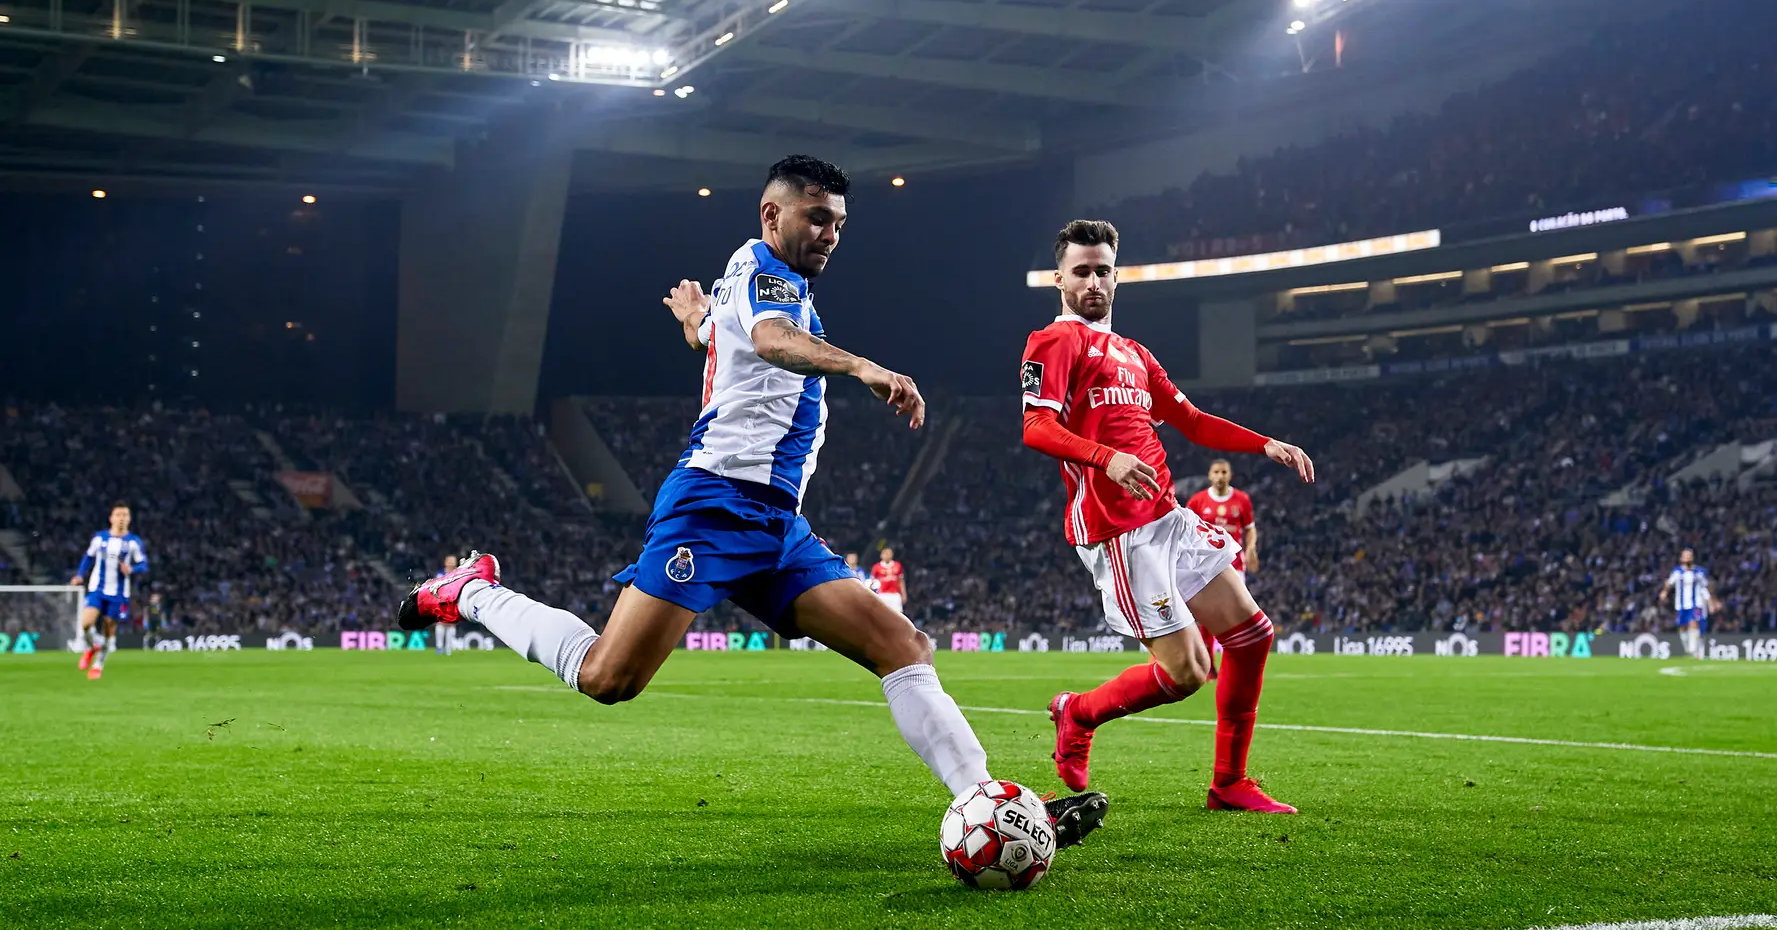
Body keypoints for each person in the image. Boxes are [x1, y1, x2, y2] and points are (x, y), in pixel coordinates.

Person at [399, 156, 1107, 845]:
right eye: (817, 217)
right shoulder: (769, 277)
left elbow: (723, 337)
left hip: (775, 523)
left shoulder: (760, 278)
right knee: (608, 678)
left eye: (839, 224)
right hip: (712, 507)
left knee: (903, 644)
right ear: (772, 214)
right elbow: (768, 340)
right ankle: (471, 592)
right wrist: (863, 365)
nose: (831, 233)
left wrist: (697, 322)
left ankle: (986, 801)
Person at [1021, 219, 1314, 814]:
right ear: (1060, 278)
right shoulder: (1053, 343)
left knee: (1253, 636)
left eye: (1103, 270)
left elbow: (1194, 421)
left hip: (1167, 518)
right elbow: (1036, 428)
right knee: (1187, 673)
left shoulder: (1132, 353)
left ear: (1116, 276)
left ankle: (1229, 783)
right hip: (1119, 533)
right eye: (1081, 271)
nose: (1094, 281)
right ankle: (1077, 712)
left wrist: (1264, 445)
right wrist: (1107, 459)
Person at [1184, 460, 1258, 664]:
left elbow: (1250, 528)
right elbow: (1185, 528)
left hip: (1235, 565)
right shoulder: (1198, 501)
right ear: (1209, 475)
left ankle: (1231, 662)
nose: (1220, 476)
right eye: (1216, 472)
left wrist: (1251, 548)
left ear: (1230, 475)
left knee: (1233, 615)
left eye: (1224, 472)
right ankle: (1208, 662)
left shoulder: (1242, 500)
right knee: (1209, 614)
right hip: (1205, 566)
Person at [70, 505, 147, 680]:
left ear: (129, 519)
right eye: (118, 514)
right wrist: (79, 575)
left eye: (125, 515)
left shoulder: (134, 542)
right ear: (111, 518)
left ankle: (99, 664)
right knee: (86, 624)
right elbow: (88, 557)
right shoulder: (100, 538)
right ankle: (91, 647)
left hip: (119, 594)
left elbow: (143, 564)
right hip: (97, 589)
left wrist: (131, 569)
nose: (121, 518)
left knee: (108, 630)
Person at [1658, 547, 1716, 660]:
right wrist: (1664, 592)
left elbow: (1705, 587)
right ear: (1681, 558)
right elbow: (1669, 583)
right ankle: (1688, 649)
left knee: (1694, 623)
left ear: (1692, 558)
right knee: (1683, 627)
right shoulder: (1677, 571)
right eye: (1684, 556)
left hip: (1697, 604)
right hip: (1681, 604)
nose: (1686, 558)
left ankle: (1694, 650)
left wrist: (1710, 602)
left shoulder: (1699, 572)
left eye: (1688, 556)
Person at [433, 555, 462, 654]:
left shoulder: (458, 574)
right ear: (445, 562)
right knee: (440, 623)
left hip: (453, 601)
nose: (451, 563)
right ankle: (439, 647)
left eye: (453, 561)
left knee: (452, 624)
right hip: (441, 601)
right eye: (450, 561)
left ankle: (449, 648)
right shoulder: (440, 574)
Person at [870, 546, 906, 616]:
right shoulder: (876, 567)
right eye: (885, 553)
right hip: (882, 594)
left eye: (889, 553)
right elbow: (872, 581)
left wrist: (904, 594)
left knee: (898, 615)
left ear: (892, 554)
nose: (887, 555)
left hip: (895, 594)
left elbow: (901, 580)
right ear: (881, 555)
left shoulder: (897, 565)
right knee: (882, 615)